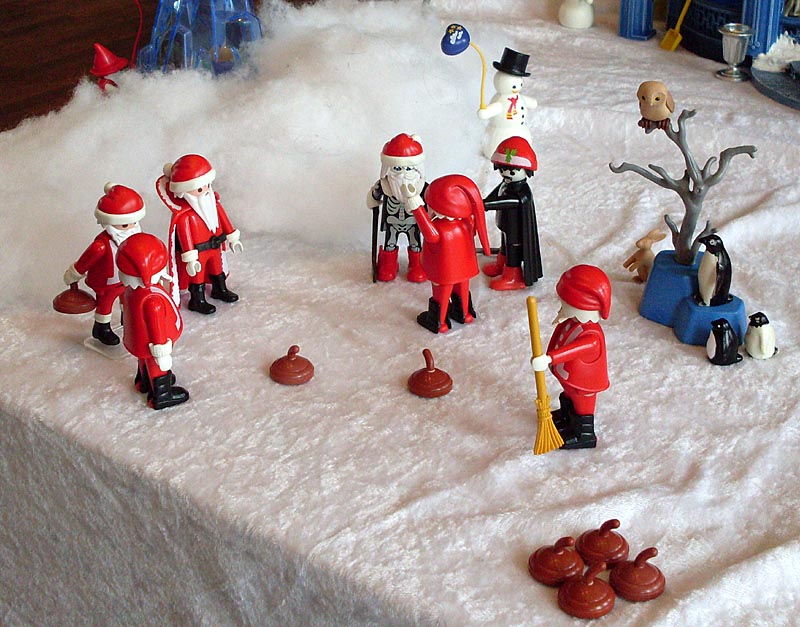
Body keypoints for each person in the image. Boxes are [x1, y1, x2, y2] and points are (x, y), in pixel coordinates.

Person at [531, 265, 611, 448]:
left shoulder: (592, 336)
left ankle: (583, 434)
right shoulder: (571, 323)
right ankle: (567, 419)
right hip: (570, 378)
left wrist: (549, 358)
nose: (563, 307)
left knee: (582, 407)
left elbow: (575, 349)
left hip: (584, 384)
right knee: (569, 398)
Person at [403, 174, 491, 334]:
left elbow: (429, 233)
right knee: (462, 289)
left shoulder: (439, 227)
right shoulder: (467, 221)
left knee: (441, 294)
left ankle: (439, 321)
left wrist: (416, 206)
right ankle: (465, 314)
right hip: (464, 269)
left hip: (444, 271)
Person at [156, 154, 243, 314]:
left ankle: (220, 289)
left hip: (215, 246)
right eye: (200, 189)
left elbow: (225, 221)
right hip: (198, 252)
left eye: (208, 185)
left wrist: (233, 238)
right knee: (198, 275)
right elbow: (185, 237)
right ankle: (197, 299)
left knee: (217, 268)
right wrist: (190, 258)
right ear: (183, 192)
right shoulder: (185, 216)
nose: (206, 191)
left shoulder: (214, 204)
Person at [62, 184, 146, 345]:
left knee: (127, 299)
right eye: (125, 224)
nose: (131, 228)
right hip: (107, 282)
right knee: (105, 303)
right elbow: (84, 262)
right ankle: (101, 328)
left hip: (126, 278)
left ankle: (127, 320)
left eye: (135, 222)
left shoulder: (134, 238)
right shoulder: (101, 245)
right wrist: (74, 274)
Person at [117, 232, 189, 410]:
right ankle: (162, 394)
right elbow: (156, 329)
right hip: (153, 344)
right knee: (156, 364)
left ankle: (144, 381)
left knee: (143, 359)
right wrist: (161, 350)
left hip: (137, 341)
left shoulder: (131, 291)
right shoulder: (152, 300)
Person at [482, 136, 543, 290]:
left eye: (513, 170)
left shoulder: (522, 192)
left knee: (513, 249)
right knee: (504, 244)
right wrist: (485, 201)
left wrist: (487, 205)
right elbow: (497, 194)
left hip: (517, 231)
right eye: (503, 169)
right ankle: (501, 264)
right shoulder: (506, 184)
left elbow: (509, 201)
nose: (506, 173)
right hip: (506, 226)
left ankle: (512, 276)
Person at [367, 133, 427, 282]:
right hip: (392, 222)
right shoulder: (385, 185)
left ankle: (417, 264)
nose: (402, 175)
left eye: (408, 169)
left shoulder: (422, 187)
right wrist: (373, 197)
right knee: (390, 244)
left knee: (415, 244)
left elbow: (434, 200)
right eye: (397, 168)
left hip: (414, 222)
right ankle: (389, 264)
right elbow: (374, 197)